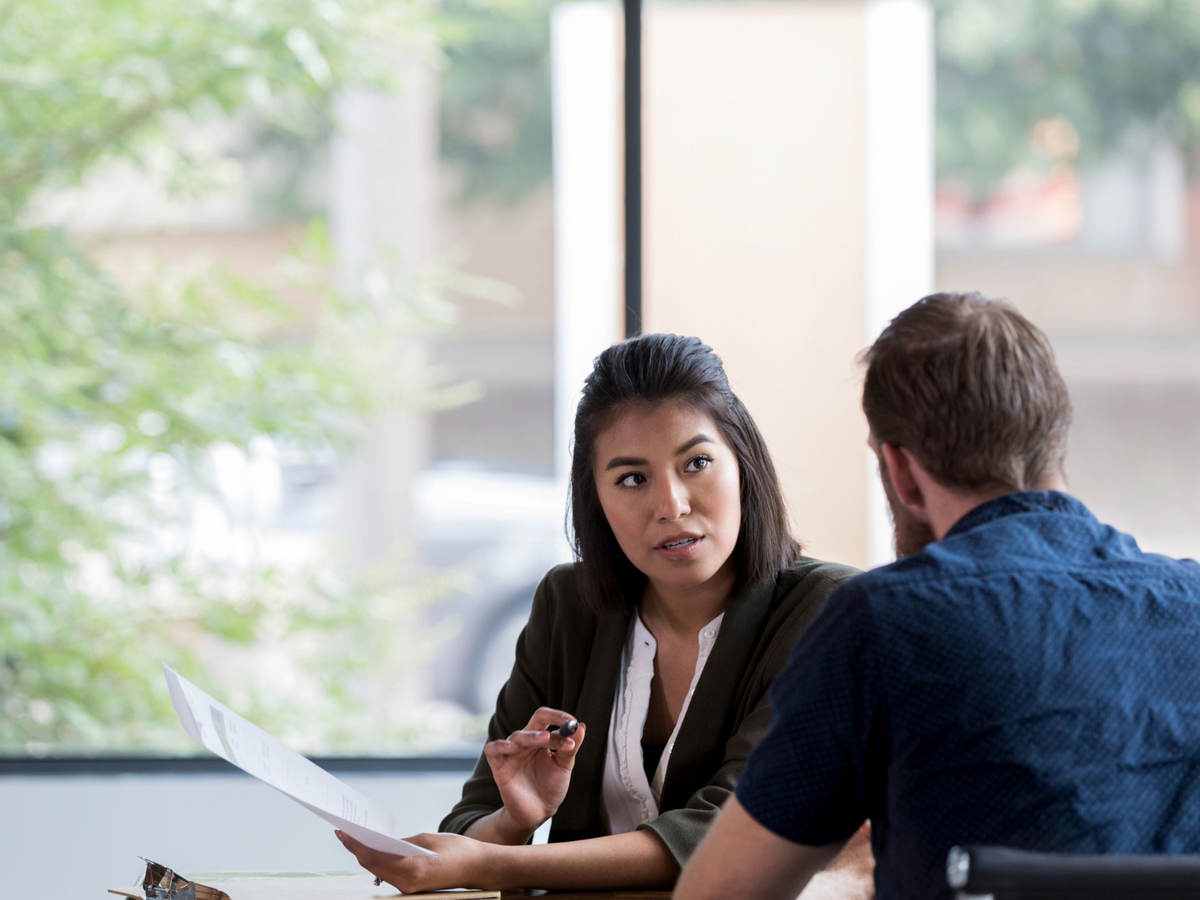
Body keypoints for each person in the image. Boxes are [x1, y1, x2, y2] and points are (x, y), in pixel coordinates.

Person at [675, 291, 1200, 899]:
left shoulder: (881, 624)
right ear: (1057, 434)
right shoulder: (1190, 602)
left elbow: (719, 894)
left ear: (899, 470)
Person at [336, 333, 872, 893]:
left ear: (744, 466)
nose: (671, 505)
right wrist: (515, 819)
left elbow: (730, 830)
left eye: (697, 462)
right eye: (632, 479)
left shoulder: (828, 610)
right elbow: (472, 825)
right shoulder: (569, 604)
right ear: (596, 498)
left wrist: (489, 864)